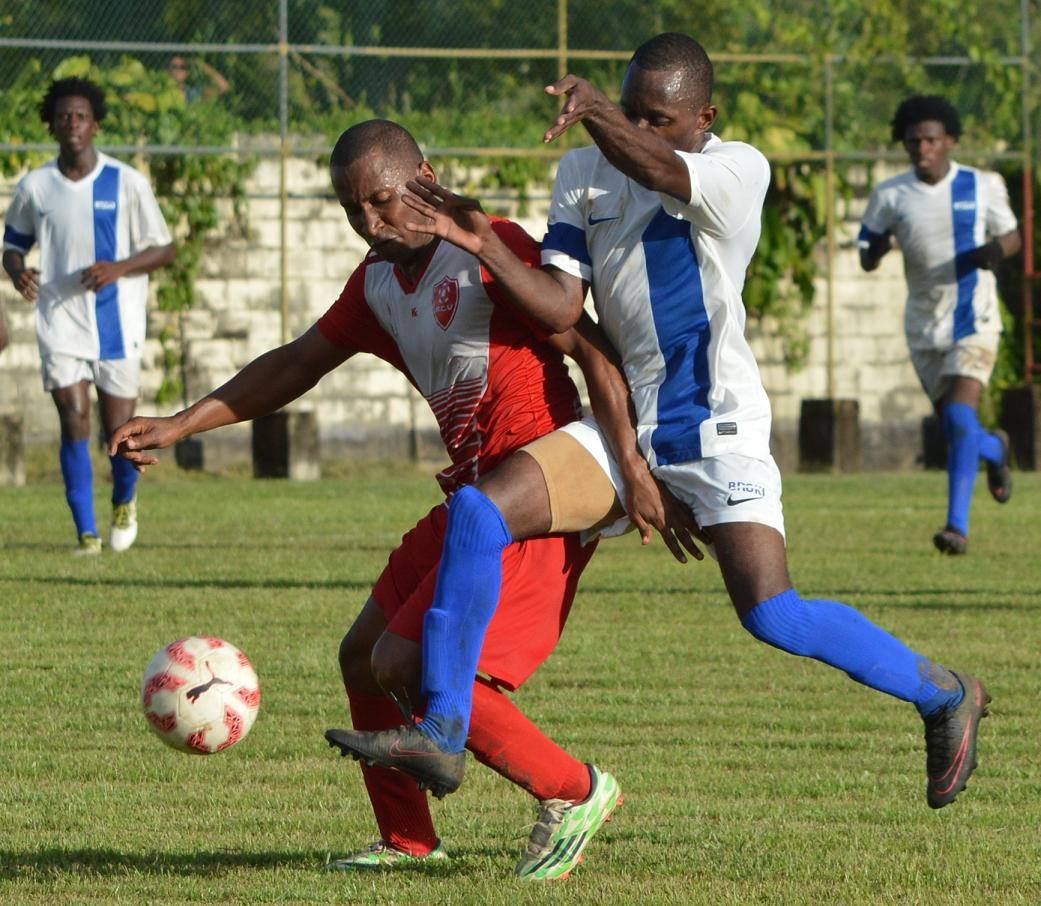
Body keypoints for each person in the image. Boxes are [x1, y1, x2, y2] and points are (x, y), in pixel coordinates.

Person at [332, 34, 992, 813]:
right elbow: (559, 308)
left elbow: (659, 168)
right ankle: (443, 728)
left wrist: (606, 117)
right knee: (481, 508)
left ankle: (945, 693)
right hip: (624, 423)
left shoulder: (736, 168)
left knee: (772, 613)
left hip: (714, 423)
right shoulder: (582, 171)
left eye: (660, 117)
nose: (641, 132)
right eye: (631, 113)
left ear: (703, 117)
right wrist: (482, 245)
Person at [109, 119, 700, 880]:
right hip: (471, 500)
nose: (371, 223)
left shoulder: (490, 249)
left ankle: (573, 789)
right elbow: (296, 362)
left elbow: (590, 350)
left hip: (537, 494)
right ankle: (408, 841)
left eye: (383, 201)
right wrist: (183, 422)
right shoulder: (377, 281)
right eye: (354, 210)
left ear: (424, 177)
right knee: (364, 655)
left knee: (413, 663)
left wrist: (630, 466)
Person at [2, 77, 175, 553]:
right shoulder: (36, 186)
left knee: (119, 429)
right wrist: (18, 273)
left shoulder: (127, 182)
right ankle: (86, 532)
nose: (72, 124)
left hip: (117, 323)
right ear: (52, 125)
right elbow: (12, 245)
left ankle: (123, 498)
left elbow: (166, 248)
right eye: (63, 117)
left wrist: (119, 267)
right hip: (59, 319)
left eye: (80, 116)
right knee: (73, 417)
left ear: (94, 125)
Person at [859, 95, 1020, 555]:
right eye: (913, 142)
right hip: (924, 324)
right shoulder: (890, 195)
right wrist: (877, 250)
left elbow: (1012, 235)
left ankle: (957, 527)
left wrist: (995, 252)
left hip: (975, 316)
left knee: (958, 415)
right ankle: (994, 449)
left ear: (950, 140)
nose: (922, 149)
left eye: (930, 140)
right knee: (958, 428)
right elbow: (867, 251)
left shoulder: (982, 184)